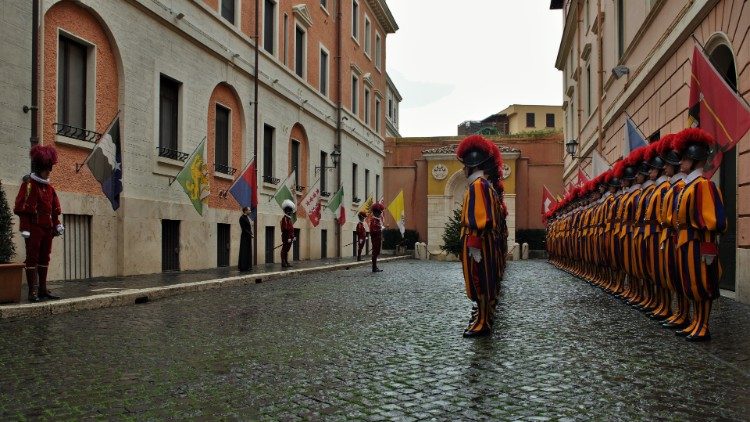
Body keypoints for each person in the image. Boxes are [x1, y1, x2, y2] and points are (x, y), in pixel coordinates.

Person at [672, 128, 726, 341]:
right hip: (688, 241)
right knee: (691, 284)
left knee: (703, 285)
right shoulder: (688, 187)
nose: (681, 163)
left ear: (695, 160)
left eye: (685, 159)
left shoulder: (703, 186)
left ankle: (703, 325)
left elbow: (715, 220)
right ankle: (696, 321)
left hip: (700, 242)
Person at [456, 135, 502, 338]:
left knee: (480, 281)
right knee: (481, 281)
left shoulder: (478, 186)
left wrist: (473, 245)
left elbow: (480, 219)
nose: (463, 169)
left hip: (477, 240)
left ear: (471, 165)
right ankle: (482, 317)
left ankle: (483, 321)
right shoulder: (482, 185)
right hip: (481, 240)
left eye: (465, 165)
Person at [14, 145, 64, 302]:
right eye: (46, 169)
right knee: (32, 257)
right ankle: (32, 291)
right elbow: (23, 208)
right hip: (34, 227)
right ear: (39, 168)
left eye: (49, 169)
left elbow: (54, 209)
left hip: (47, 229)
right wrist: (25, 228)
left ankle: (43, 289)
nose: (49, 172)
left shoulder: (50, 189)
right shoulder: (29, 186)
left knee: (45, 257)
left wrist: (57, 224)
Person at [280, 200, 296, 268]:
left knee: (287, 250)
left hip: (290, 237)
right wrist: (289, 237)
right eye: (289, 211)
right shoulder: (285, 219)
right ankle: (283, 262)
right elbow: (285, 229)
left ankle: (286, 261)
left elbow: (291, 229)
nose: (290, 212)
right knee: (284, 250)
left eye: (290, 211)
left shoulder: (289, 219)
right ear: (286, 211)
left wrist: (293, 236)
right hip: (286, 237)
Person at [369, 203, 384, 272]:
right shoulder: (374, 221)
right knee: (375, 253)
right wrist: (380, 229)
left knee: (376, 252)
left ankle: (375, 267)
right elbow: (373, 230)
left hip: (378, 238)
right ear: (376, 212)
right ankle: (374, 267)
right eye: (380, 212)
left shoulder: (377, 220)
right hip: (375, 239)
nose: (380, 213)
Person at [238, 207, 254, 272]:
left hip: (248, 237)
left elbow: (249, 227)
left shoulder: (247, 217)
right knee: (244, 251)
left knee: (248, 251)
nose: (250, 211)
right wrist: (250, 234)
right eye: (249, 210)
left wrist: (251, 233)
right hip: (244, 237)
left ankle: (248, 266)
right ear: (245, 211)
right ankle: (243, 267)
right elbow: (244, 228)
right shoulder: (241, 218)